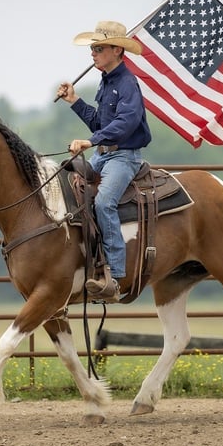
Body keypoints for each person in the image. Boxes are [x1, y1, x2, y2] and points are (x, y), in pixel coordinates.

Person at [57, 21, 152, 303]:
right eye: (93, 48)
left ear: (117, 50)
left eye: (99, 48)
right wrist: (74, 101)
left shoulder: (127, 83)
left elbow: (126, 122)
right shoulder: (107, 82)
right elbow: (101, 122)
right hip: (103, 155)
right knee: (67, 185)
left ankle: (115, 277)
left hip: (123, 157)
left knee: (103, 203)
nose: (93, 53)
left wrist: (90, 141)